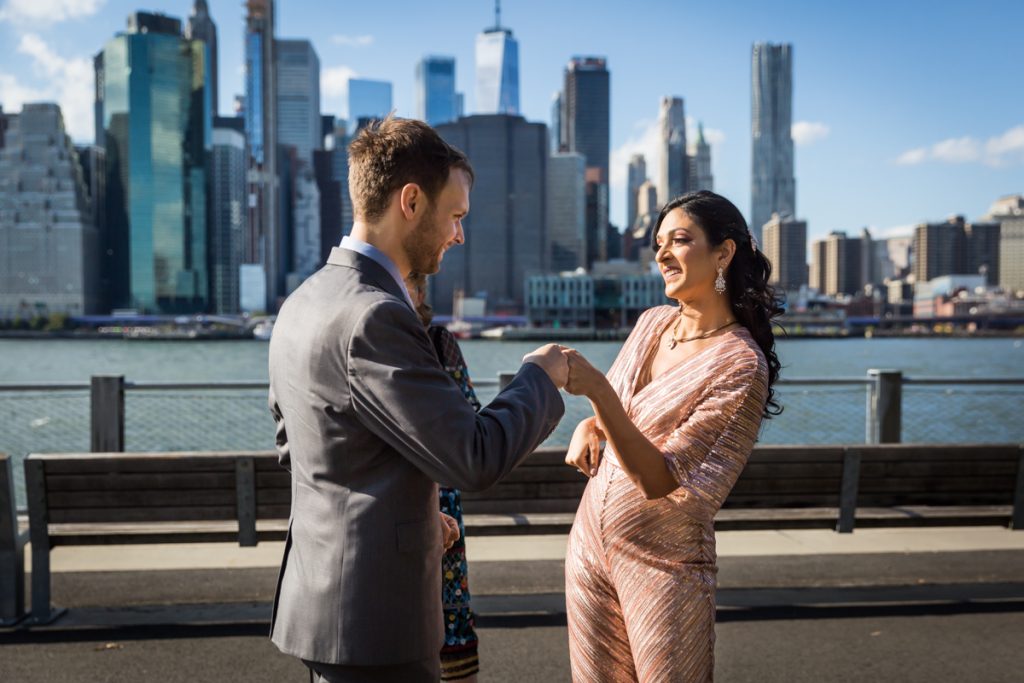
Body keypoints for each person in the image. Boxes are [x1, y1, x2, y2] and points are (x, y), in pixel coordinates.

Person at [267, 116, 567, 683]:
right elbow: (473, 456)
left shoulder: (302, 301)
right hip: (376, 618)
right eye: (454, 216)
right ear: (411, 201)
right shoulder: (377, 314)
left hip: (323, 603)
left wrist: (411, 515)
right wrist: (539, 377)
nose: (458, 235)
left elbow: (301, 448)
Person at [560, 190, 783, 681]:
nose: (661, 254)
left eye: (679, 241)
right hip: (588, 551)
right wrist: (587, 422)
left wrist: (595, 392)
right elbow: (618, 414)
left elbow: (662, 480)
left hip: (663, 566)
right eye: (658, 243)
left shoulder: (740, 364)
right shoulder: (652, 324)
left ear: (724, 253)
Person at [405, 272, 481, 682]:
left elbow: (468, 417)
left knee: (449, 621)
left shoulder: (438, 340)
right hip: (416, 495)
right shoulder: (380, 335)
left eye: (414, 285)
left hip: (441, 500)